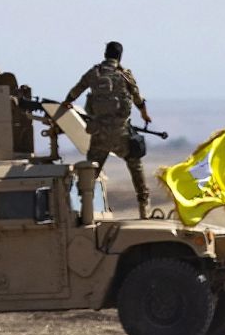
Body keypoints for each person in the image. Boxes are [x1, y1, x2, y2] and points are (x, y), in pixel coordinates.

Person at [54, 42, 153, 218]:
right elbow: (138, 99)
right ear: (119, 57)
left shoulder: (95, 73)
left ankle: (83, 213)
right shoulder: (125, 75)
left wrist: (66, 102)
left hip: (99, 134)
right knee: (135, 163)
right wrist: (145, 115)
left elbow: (76, 90)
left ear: (105, 54)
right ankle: (144, 208)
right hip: (121, 134)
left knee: (90, 175)